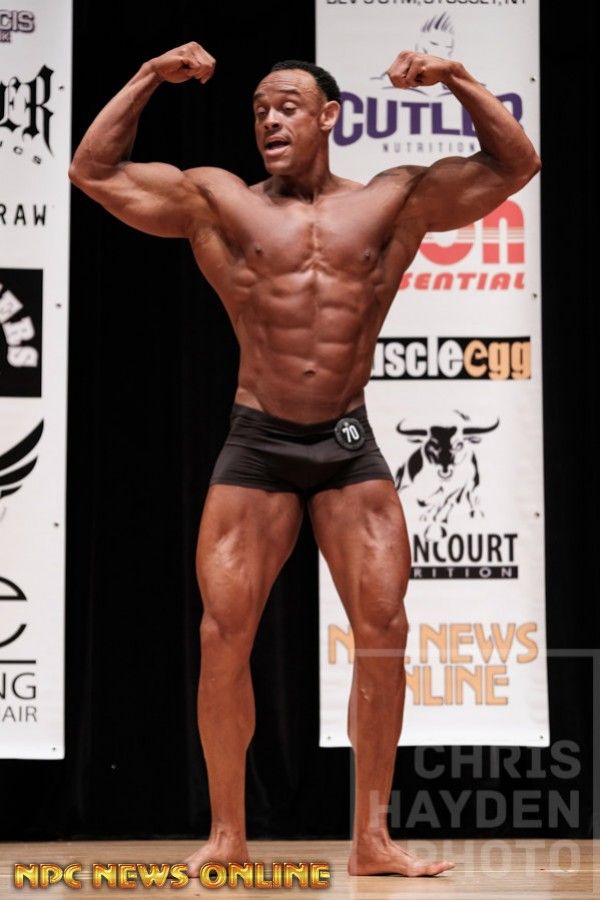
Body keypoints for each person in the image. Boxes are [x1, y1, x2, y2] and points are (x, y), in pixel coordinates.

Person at [69, 41, 540, 877]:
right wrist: (147, 76)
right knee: (223, 635)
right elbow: (93, 171)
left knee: (385, 631)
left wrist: (456, 78)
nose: (269, 121)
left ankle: (372, 839)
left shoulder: (392, 200)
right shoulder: (219, 200)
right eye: (258, 110)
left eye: (287, 106)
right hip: (258, 444)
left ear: (330, 116)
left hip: (347, 444)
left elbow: (516, 163)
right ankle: (228, 835)